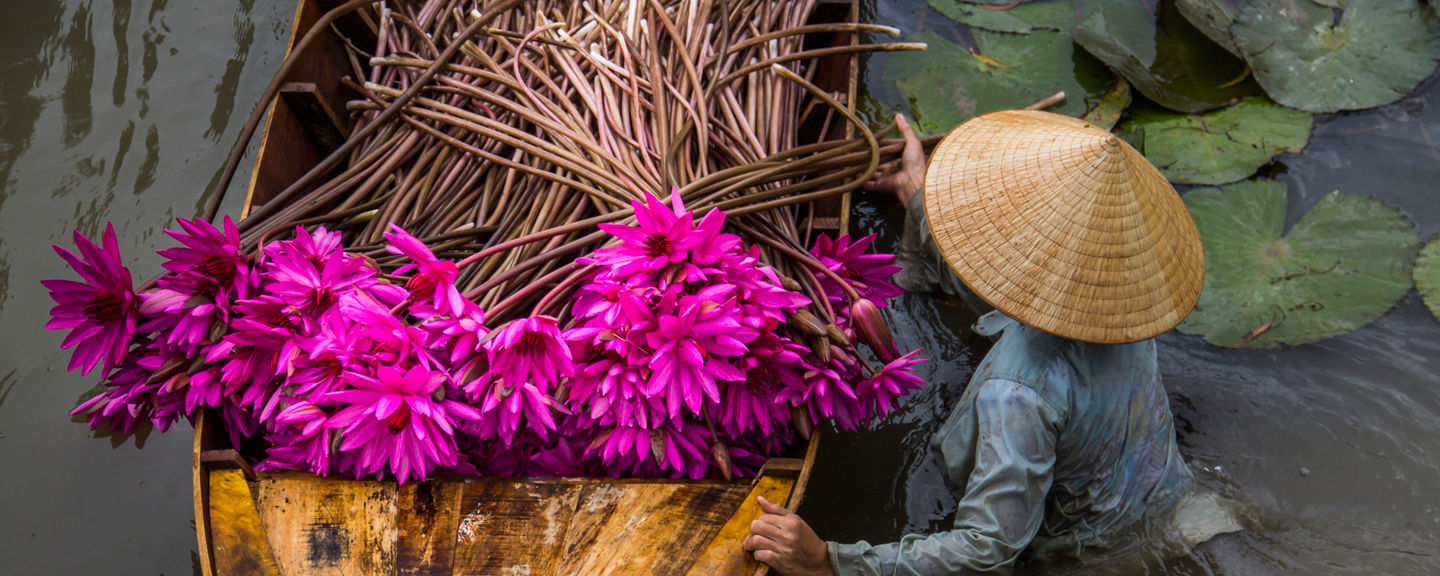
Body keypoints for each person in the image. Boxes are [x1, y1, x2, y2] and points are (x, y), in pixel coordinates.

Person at [743, 111, 1243, 576]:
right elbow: (1014, 297)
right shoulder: (1126, 305)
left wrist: (831, 561)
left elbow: (989, 550)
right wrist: (917, 196)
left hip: (1094, 558)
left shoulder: (1016, 393)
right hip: (1188, 513)